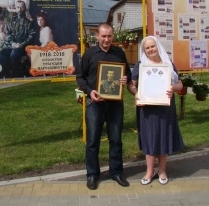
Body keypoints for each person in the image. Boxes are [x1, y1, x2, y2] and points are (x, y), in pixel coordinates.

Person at [76, 23, 131, 190]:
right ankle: (92, 174)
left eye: (109, 36)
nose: (107, 39)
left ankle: (116, 173)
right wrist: (89, 91)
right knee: (92, 141)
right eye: (104, 36)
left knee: (116, 140)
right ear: (97, 36)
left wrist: (125, 79)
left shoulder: (119, 53)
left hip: (115, 105)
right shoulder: (89, 54)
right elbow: (80, 77)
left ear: (112, 36)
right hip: (95, 104)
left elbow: (127, 72)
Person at [127, 35, 184, 186]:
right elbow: (131, 85)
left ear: (157, 46)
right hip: (147, 109)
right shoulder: (141, 65)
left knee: (163, 137)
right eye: (147, 48)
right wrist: (137, 93)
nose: (151, 49)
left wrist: (173, 88)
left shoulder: (168, 64)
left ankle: (163, 170)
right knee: (150, 138)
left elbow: (180, 84)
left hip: (165, 108)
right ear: (144, 50)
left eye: (153, 46)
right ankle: (149, 171)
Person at [1, 0, 35, 77]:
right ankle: (6, 74)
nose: (19, 9)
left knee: (14, 54)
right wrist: (12, 43)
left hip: (23, 46)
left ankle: (15, 75)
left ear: (25, 8)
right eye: (17, 7)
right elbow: (8, 34)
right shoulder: (11, 20)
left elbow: (31, 37)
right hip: (12, 44)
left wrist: (21, 44)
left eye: (21, 7)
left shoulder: (29, 22)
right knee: (1, 54)